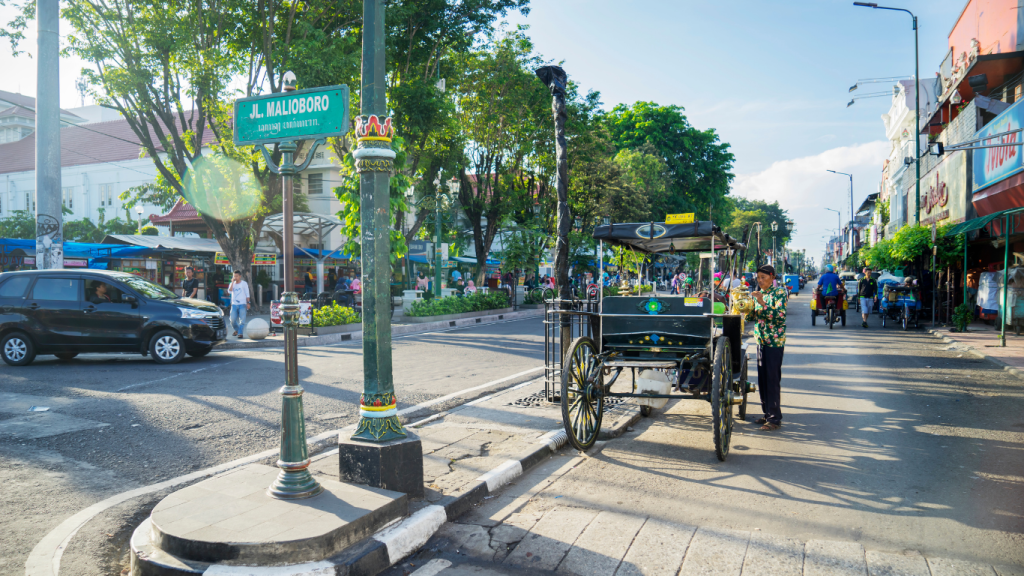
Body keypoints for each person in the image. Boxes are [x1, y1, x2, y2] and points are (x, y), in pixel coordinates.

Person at [747, 264, 787, 431]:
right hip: (761, 340)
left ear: (772, 277)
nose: (760, 281)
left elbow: (778, 316)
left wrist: (761, 302)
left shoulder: (779, 293)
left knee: (772, 379)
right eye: (758, 278)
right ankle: (767, 413)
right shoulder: (759, 294)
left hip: (774, 341)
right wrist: (746, 305)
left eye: (764, 278)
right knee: (763, 380)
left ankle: (774, 418)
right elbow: (751, 316)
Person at [228, 270, 251, 338]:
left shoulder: (244, 283)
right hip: (234, 304)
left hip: (242, 304)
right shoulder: (232, 284)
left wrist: (248, 303)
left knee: (242, 320)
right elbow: (229, 291)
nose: (235, 277)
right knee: (232, 320)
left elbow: (247, 293)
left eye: (236, 276)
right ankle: (237, 329)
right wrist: (232, 282)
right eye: (234, 276)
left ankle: (240, 333)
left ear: (240, 276)